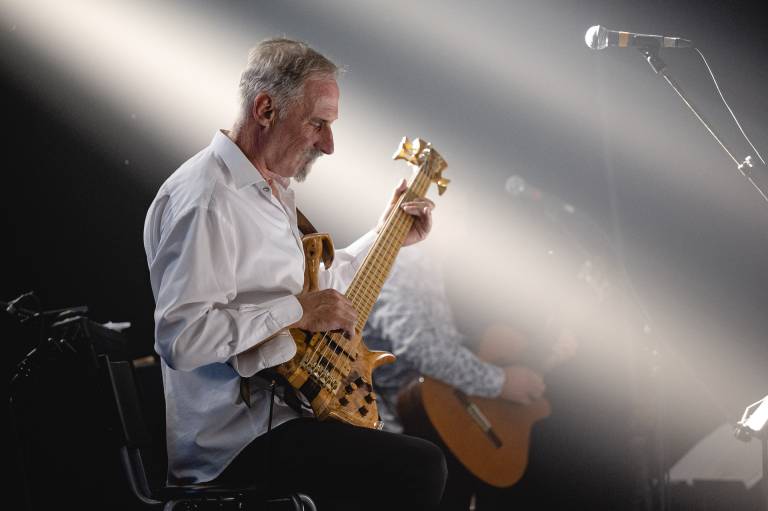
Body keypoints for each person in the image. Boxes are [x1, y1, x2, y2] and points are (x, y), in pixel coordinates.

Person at [143, 38, 446, 511]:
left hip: (288, 418)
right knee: (419, 467)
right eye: (317, 124)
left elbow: (325, 292)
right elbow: (181, 338)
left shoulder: (271, 190)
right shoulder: (206, 200)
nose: (329, 145)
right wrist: (297, 311)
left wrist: (388, 235)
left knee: (401, 451)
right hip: (232, 446)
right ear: (265, 109)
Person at [364, 245, 578, 510]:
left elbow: (452, 347)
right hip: (381, 424)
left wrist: (543, 357)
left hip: (423, 428)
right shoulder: (406, 260)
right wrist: (500, 381)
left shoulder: (437, 267)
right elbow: (422, 348)